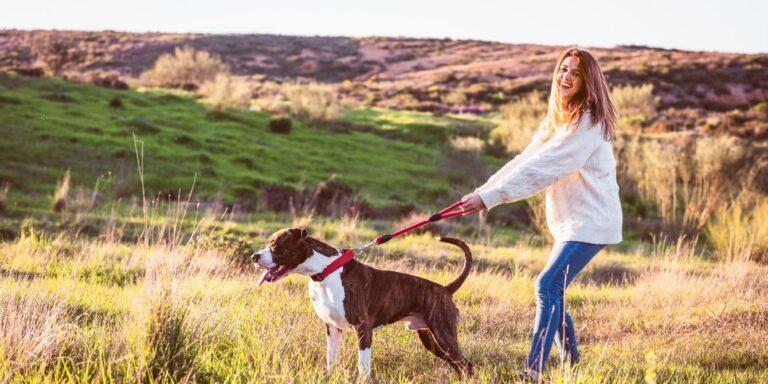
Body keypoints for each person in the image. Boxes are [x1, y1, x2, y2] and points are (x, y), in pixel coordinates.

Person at [460, 47, 622, 380]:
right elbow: (527, 160)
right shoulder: (560, 119)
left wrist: (491, 199)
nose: (566, 77)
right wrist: (484, 192)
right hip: (573, 223)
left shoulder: (587, 124)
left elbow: (545, 169)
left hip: (592, 224)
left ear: (588, 81)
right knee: (555, 290)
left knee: (547, 286)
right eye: (563, 69)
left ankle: (532, 371)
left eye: (576, 73)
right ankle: (572, 367)